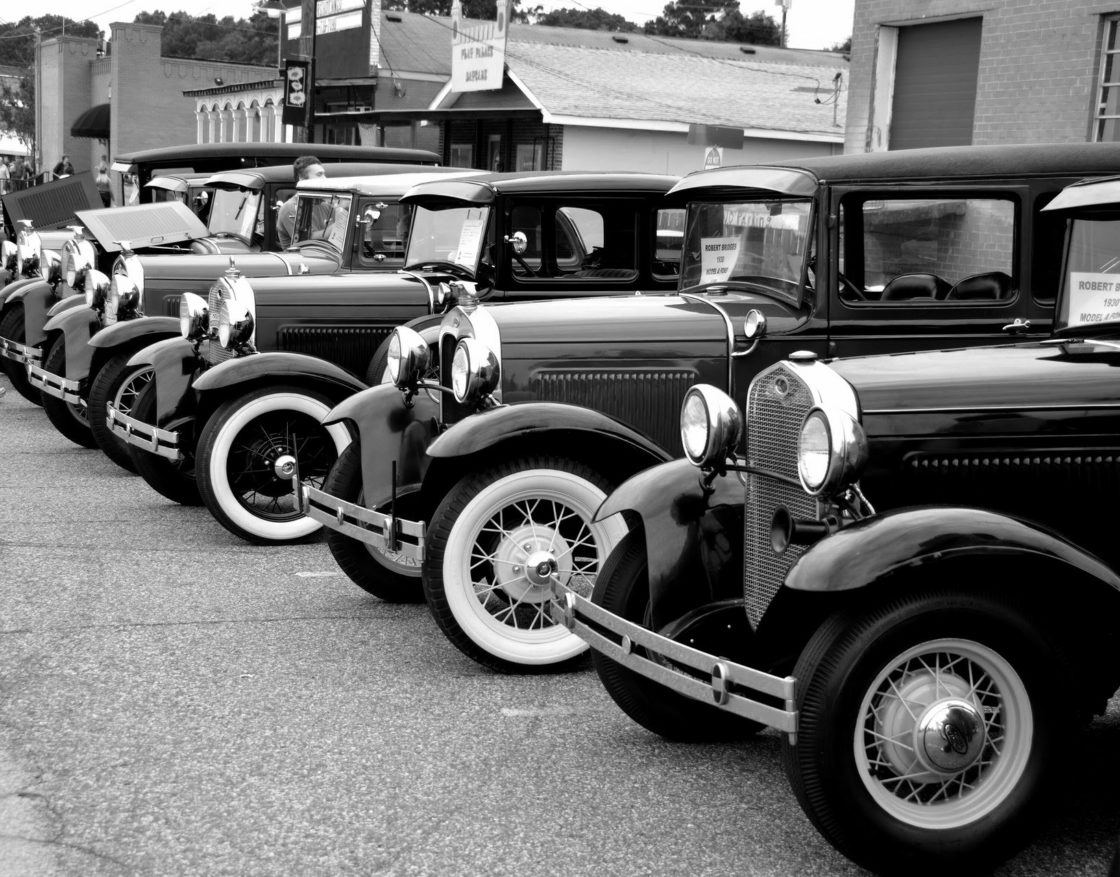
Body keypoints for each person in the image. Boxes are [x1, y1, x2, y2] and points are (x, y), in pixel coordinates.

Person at [276, 155, 326, 249]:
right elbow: (307, 242)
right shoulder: (290, 208)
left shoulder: (326, 205)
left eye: (324, 174)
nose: (324, 178)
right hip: (302, 262)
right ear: (301, 179)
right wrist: (337, 226)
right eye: (319, 175)